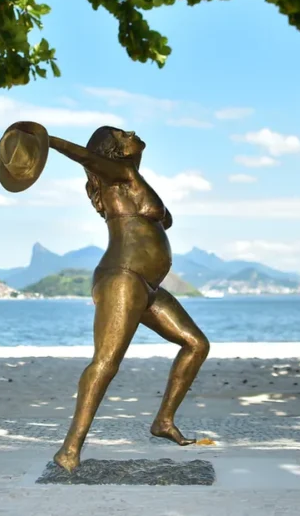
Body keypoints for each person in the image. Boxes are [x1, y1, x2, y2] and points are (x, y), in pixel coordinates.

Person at [45, 126, 210, 472]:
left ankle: (163, 421)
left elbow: (164, 219)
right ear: (114, 151)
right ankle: (69, 449)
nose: (132, 132)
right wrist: (46, 141)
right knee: (106, 363)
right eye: (123, 134)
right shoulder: (119, 173)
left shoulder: (131, 179)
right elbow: (87, 158)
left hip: (147, 285)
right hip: (122, 277)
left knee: (196, 344)